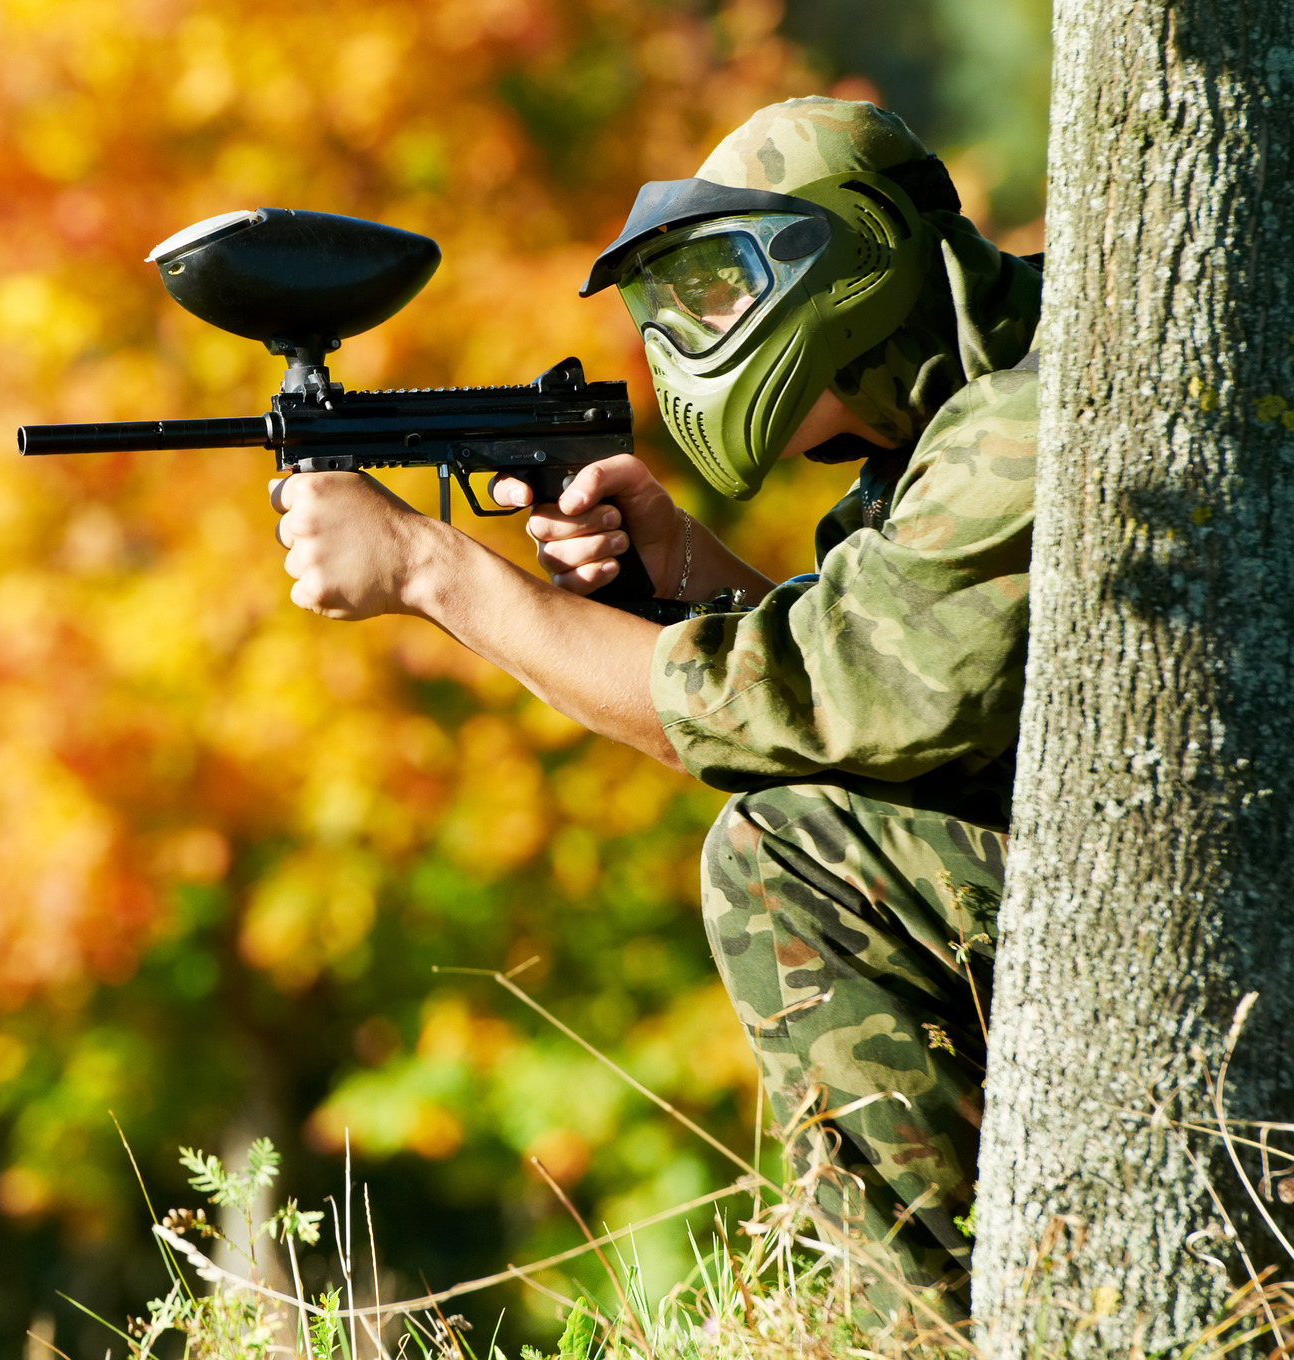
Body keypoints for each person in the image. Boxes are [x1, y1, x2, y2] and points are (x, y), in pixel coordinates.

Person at [267, 97, 1040, 1317]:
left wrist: (433, 570)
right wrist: (673, 565)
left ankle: (926, 1333)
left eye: (725, 290)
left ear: (856, 258)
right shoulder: (946, 413)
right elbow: (868, 654)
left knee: (791, 855)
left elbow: (832, 697)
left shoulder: (1022, 428)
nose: (695, 338)